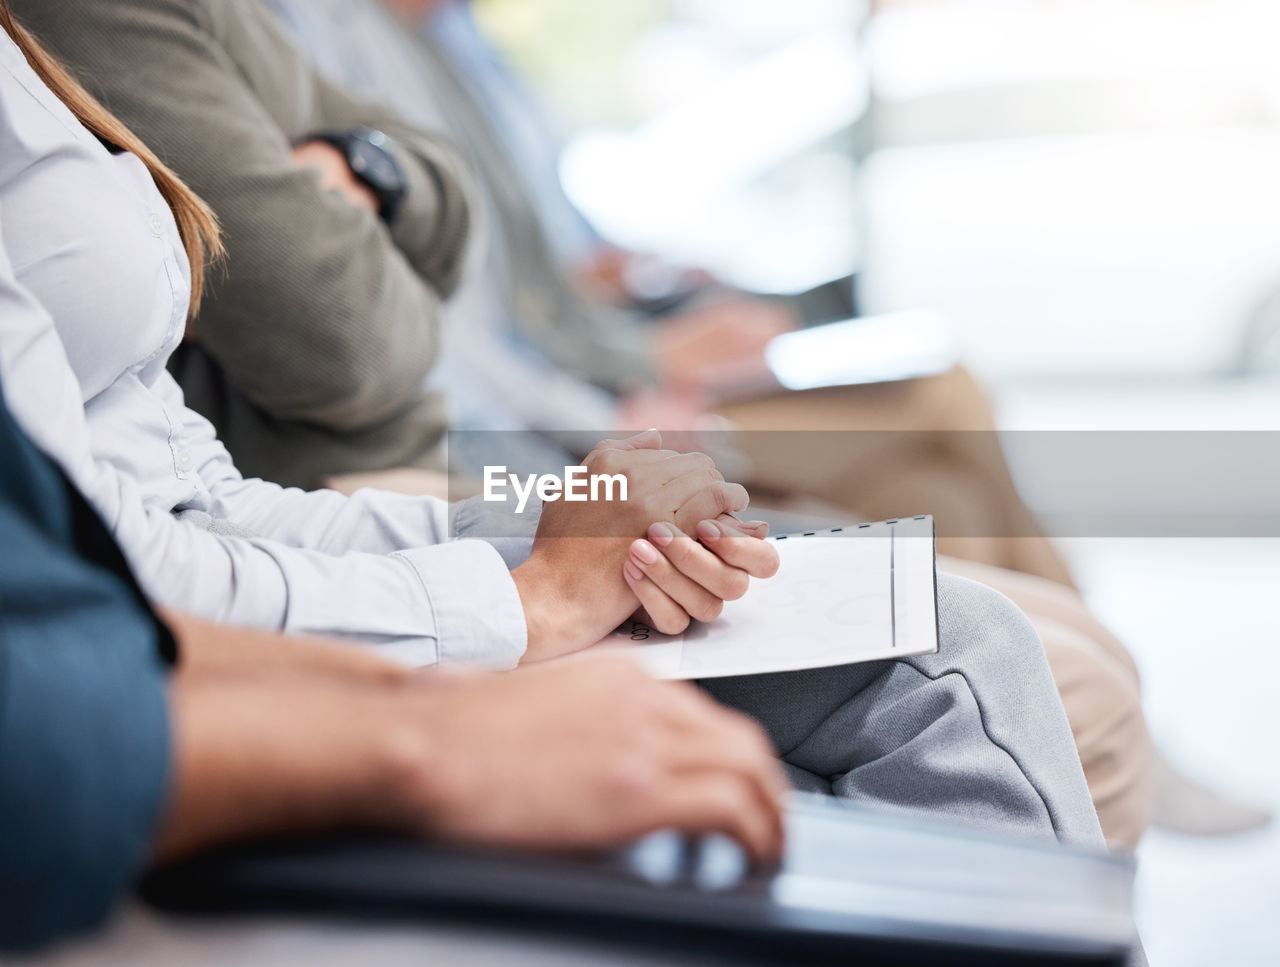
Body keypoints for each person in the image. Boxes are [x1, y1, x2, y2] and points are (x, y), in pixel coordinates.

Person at [0, 0, 1109, 887]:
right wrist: (530, 593)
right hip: (402, 461)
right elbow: (361, 348)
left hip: (332, 504)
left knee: (952, 607)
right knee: (963, 654)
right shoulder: (108, 22)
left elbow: (444, 219)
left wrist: (553, 522)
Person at [0, 365, 789, 951]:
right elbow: (345, 347)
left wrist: (541, 564)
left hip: (197, 667)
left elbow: (178, 518)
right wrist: (436, 718)